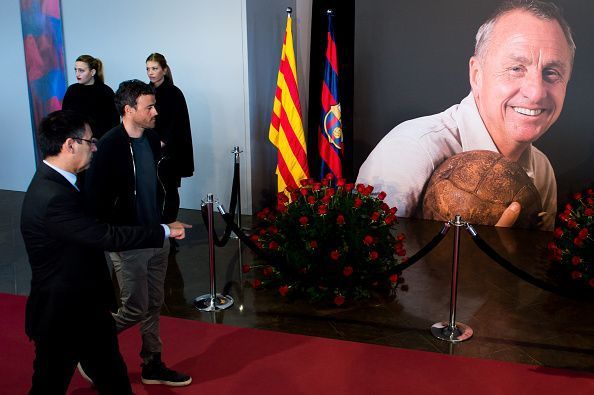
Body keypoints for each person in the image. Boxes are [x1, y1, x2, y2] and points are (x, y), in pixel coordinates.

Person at [356, 0, 574, 230]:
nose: (536, 92)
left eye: (552, 72)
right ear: (477, 75)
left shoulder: (542, 170)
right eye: (516, 68)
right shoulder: (411, 151)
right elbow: (368, 259)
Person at [20, 110, 188, 394]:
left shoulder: (61, 183)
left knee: (114, 378)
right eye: (89, 141)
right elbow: (104, 235)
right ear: (70, 144)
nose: (94, 147)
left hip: (88, 309)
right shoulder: (52, 196)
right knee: (48, 385)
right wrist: (163, 230)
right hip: (64, 315)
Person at [84, 79, 192, 387]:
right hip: (127, 240)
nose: (156, 111)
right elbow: (95, 198)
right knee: (133, 308)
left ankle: (152, 362)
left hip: (157, 235)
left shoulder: (152, 137)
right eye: (149, 107)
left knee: (154, 303)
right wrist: (114, 231)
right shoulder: (108, 146)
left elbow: (161, 184)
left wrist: (166, 221)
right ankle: (89, 350)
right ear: (130, 110)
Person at [146, 53, 194, 227]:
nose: (150, 72)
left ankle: (170, 222)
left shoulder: (174, 93)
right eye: (148, 69)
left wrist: (163, 141)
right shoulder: (145, 91)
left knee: (169, 187)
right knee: (153, 187)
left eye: (154, 68)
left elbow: (177, 123)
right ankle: (157, 223)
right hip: (149, 146)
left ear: (164, 70)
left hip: (170, 150)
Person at [62, 55, 120, 140]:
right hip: (77, 141)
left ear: (92, 72)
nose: (77, 74)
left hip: (101, 143)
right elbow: (65, 118)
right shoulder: (72, 90)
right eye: (76, 70)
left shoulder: (106, 92)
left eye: (81, 70)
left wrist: (98, 139)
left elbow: (114, 123)